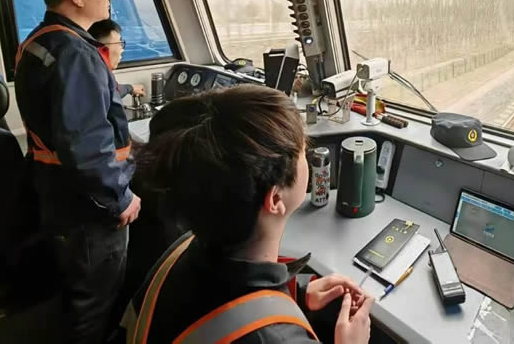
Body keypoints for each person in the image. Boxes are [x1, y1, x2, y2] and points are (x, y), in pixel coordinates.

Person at [125, 85, 374, 343]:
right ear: (275, 199)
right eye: (303, 151)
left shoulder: (178, 253)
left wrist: (295, 292)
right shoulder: (277, 339)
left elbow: (218, 305)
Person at [14, 0, 141, 344]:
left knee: (77, 296)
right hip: (90, 209)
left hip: (59, 196)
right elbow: (87, 148)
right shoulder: (76, 54)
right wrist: (121, 198)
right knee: (95, 306)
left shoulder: (41, 41)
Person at [88, 19, 145, 98]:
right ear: (102, 49)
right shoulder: (94, 80)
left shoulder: (98, 74)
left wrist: (130, 88)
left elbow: (112, 90)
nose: (122, 50)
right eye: (119, 43)